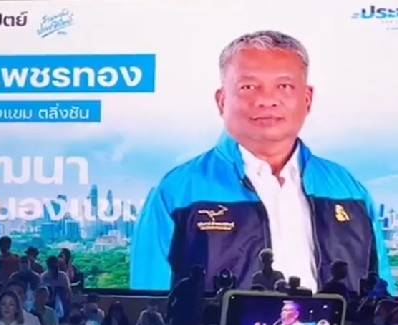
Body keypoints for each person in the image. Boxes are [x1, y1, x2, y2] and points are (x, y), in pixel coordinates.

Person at [130, 30, 393, 295]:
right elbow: (147, 305)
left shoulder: (349, 191)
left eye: (284, 86)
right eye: (248, 87)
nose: (266, 100)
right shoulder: (177, 193)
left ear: (307, 99)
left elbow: (384, 302)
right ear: (222, 100)